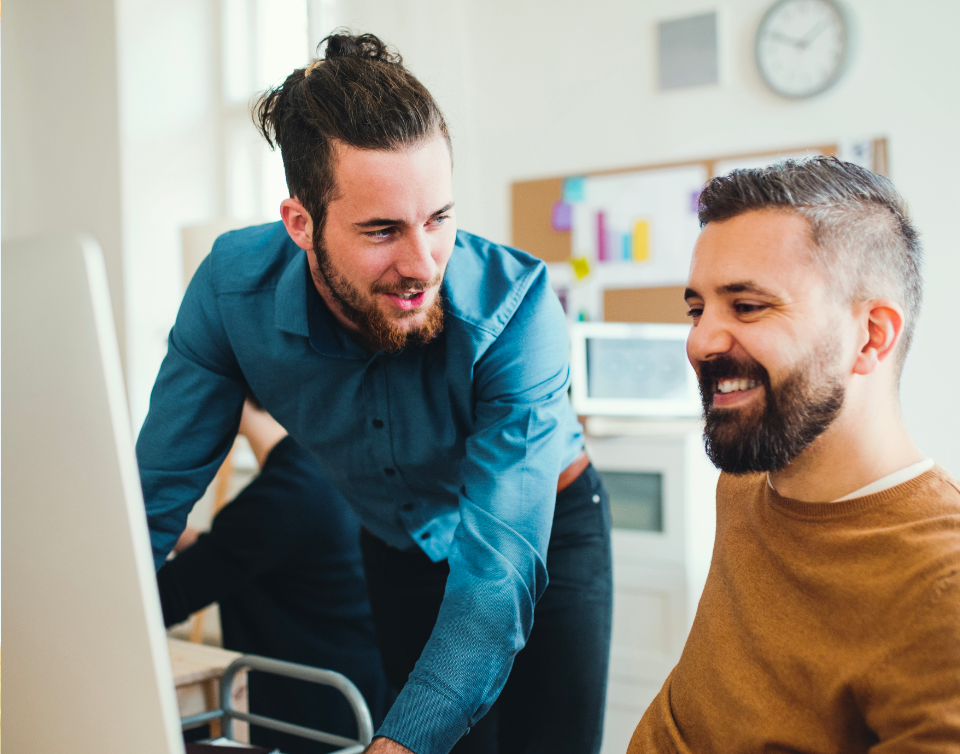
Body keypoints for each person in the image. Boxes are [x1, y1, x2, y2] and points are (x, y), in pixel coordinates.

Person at [136, 32, 612, 754]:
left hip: (539, 532)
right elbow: (152, 498)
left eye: (439, 219)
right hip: (396, 543)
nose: (422, 264)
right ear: (301, 223)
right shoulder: (232, 295)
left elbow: (493, 580)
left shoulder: (517, 312)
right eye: (383, 230)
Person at [628, 157, 960, 752]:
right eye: (697, 309)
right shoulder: (746, 482)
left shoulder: (943, 588)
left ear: (871, 336)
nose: (700, 341)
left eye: (747, 306)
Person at [157, 397, 394, 753]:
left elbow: (165, 598)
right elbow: (238, 557)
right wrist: (177, 534)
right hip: (363, 701)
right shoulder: (328, 469)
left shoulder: (287, 494)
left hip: (316, 724)